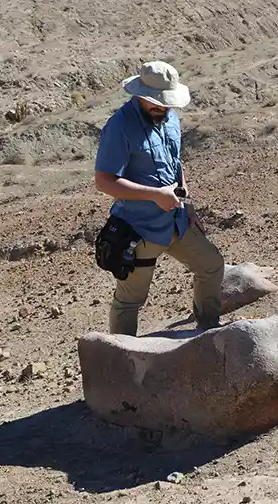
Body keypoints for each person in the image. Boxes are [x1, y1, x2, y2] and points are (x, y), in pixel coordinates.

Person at [94, 61, 225, 335]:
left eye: (166, 103)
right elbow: (103, 181)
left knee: (211, 265)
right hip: (138, 229)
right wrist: (155, 195)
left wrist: (188, 206)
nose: (161, 107)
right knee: (130, 301)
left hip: (176, 220)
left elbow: (176, 164)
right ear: (139, 94)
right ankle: (121, 359)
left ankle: (208, 331)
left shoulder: (169, 118)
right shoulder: (119, 127)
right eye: (155, 102)